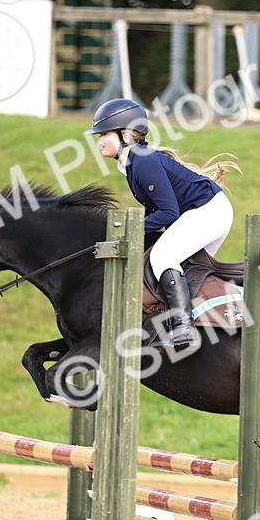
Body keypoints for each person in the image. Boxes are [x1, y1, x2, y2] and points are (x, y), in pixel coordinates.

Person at [91, 98, 240, 352]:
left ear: (125, 134)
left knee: (163, 257)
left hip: (207, 212)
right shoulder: (132, 162)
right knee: (180, 266)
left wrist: (132, 231)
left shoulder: (143, 161)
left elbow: (168, 212)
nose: (99, 140)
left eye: (105, 134)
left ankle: (183, 328)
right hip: (206, 212)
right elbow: (155, 211)